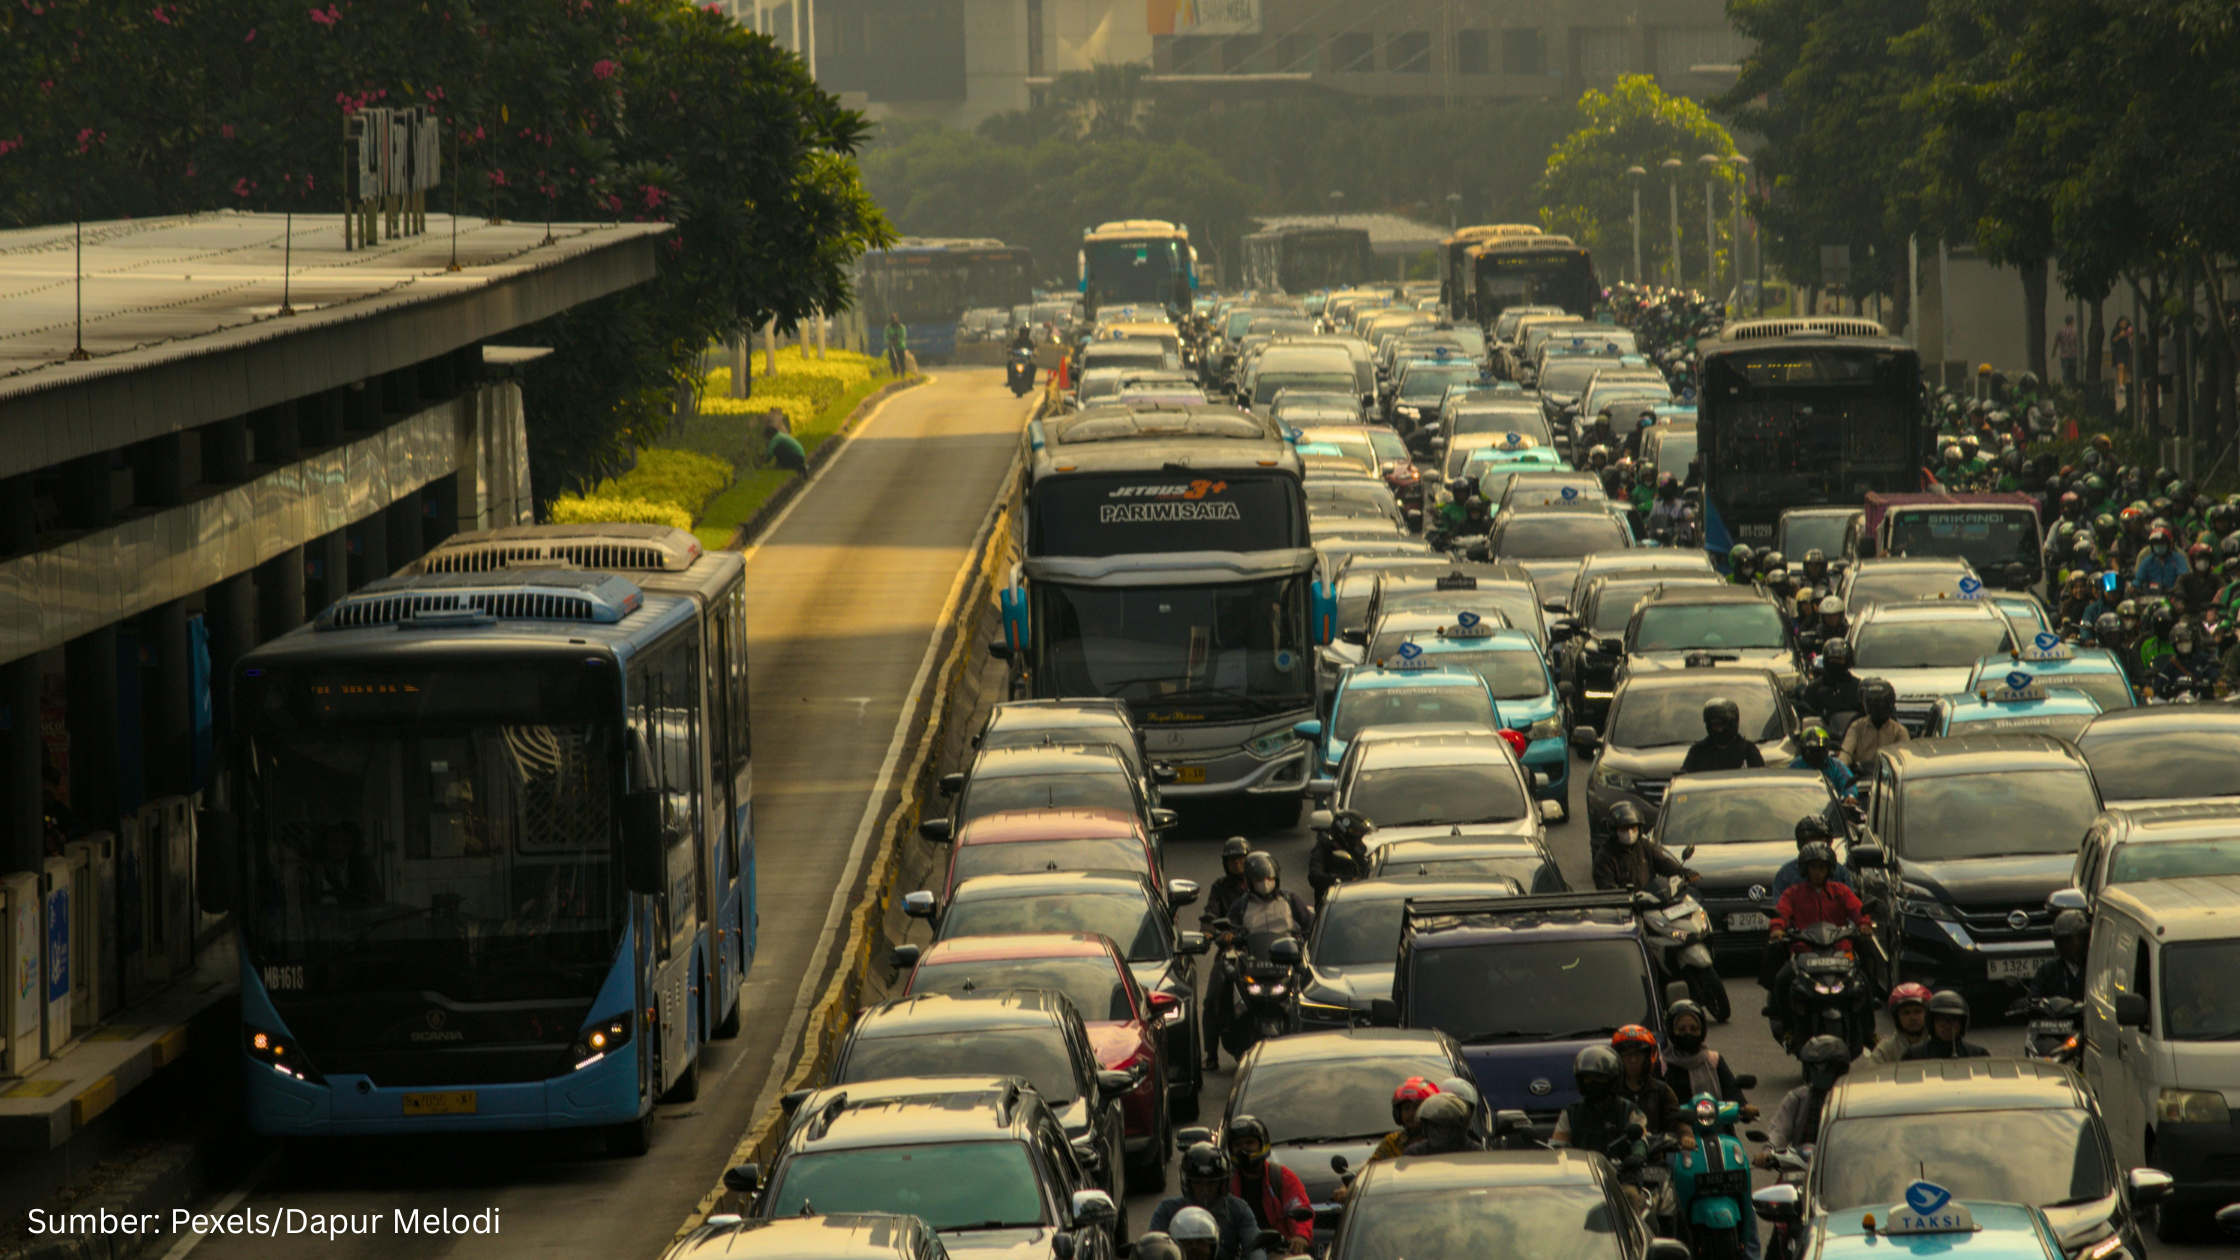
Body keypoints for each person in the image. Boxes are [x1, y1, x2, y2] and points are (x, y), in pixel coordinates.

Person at [1150, 1144, 1262, 1260]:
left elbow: (1254, 1246)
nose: (1205, 1190)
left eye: (1211, 1183)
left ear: (1223, 1183)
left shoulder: (1239, 1210)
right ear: (1187, 1183)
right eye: (1198, 1183)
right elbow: (1153, 1248)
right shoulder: (1167, 1210)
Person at [1224, 1117, 1312, 1255]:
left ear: (1262, 1143)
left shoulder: (1281, 1177)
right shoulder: (1224, 1183)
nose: (1243, 1149)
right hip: (1237, 1252)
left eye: (1249, 1143)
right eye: (1238, 1145)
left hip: (1276, 1250)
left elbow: (1299, 1207)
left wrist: (1300, 1235)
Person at [1201, 837, 1253, 1070]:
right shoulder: (1219, 887)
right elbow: (1210, 915)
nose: (1238, 862)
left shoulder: (1261, 885)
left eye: (1242, 857)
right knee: (1212, 998)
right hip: (1230, 952)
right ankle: (1211, 1054)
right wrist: (1209, 933)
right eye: (1233, 859)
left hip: (1258, 951)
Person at [1661, 1000, 1757, 1126]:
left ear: (1702, 1031)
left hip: (1717, 1128)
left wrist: (1746, 1109)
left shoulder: (1714, 1060)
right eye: (1681, 1029)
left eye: (1694, 1029)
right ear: (1671, 1031)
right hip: (1677, 1134)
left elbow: (1732, 1091)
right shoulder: (1663, 1065)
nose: (1688, 1033)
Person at [1757, 1036, 1847, 1164]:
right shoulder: (1797, 1098)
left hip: (1838, 1167)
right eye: (1813, 1067)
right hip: (1800, 1165)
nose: (1817, 1073)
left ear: (1839, 1069)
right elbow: (1779, 1130)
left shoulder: (1851, 1101)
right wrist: (1768, 1152)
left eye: (1824, 1067)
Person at [1551, 1046, 1646, 1159]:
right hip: (1581, 1173)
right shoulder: (1571, 1113)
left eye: (1599, 1077)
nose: (1593, 1083)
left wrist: (1637, 1156)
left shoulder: (1629, 1110)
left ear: (1613, 1079)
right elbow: (1557, 1147)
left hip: (1620, 1172)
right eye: (1588, 1078)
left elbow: (1641, 1141)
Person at [1592, 800, 1695, 893]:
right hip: (1623, 908)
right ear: (1614, 831)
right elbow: (1606, 888)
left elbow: (1663, 863)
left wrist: (1683, 872)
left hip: (1649, 902)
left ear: (1640, 829)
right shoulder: (1604, 857)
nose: (1629, 832)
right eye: (1624, 828)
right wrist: (1626, 897)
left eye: (1633, 827)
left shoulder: (1645, 846)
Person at [1612, 1025, 1689, 1146]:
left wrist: (1686, 1135)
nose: (1633, 1060)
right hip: (1618, 1157)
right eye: (1627, 1055)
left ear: (1648, 1057)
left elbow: (1675, 1119)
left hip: (1657, 1156)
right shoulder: (1611, 1091)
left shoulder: (1662, 1090)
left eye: (1638, 1055)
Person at [1220, 853, 1313, 945]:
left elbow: (1311, 924)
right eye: (1259, 879)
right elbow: (1230, 925)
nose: (1265, 882)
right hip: (1253, 955)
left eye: (1269, 878)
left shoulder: (1290, 899)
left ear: (1275, 879)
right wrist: (1227, 933)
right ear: (1250, 880)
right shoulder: (1242, 905)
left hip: (1289, 954)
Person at [1770, 816, 1855, 900]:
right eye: (1811, 839)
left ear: (1828, 842)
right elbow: (1780, 910)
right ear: (1802, 842)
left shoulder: (1840, 873)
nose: (1815, 844)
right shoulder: (1786, 875)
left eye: (1820, 839)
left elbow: (1852, 908)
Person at [1839, 679, 1908, 772]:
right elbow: (1845, 754)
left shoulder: (1899, 731)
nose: (1878, 709)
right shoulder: (1856, 727)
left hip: (1889, 780)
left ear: (1890, 704)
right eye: (1874, 705)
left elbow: (1905, 762)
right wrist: (1842, 769)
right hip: (1859, 779)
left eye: (1882, 704)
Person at [1681, 697, 1765, 773]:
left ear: (1732, 724)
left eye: (1722, 724)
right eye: (1715, 725)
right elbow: (1686, 780)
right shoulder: (1698, 752)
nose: (1719, 730)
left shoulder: (1748, 750)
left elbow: (1761, 779)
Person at [1308, 809, 1373, 905]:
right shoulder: (1322, 851)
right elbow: (1314, 876)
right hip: (1332, 906)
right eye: (1358, 839)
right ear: (1343, 836)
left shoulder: (1360, 853)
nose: (1360, 842)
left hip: (1359, 903)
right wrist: (1344, 880)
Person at [1903, 989, 1991, 1059]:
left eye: (1954, 1020)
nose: (1949, 1026)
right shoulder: (1914, 1055)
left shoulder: (1977, 1054)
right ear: (1931, 1022)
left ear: (1963, 1024)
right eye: (1942, 1020)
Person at [2026, 910, 2090, 1004]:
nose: (2067, 945)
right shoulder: (2048, 970)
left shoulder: (2097, 968)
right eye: (2062, 941)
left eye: (2072, 940)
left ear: (2085, 939)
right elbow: (2034, 997)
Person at [1864, 983, 1935, 1065]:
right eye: (1906, 1013)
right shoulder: (1885, 1050)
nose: (1912, 1017)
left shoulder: (1937, 1046)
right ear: (1897, 1017)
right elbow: (1875, 1075)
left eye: (1917, 1011)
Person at [1403, 1092, 1480, 1156]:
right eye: (1431, 1125)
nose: (1434, 1131)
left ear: (1458, 1129)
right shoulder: (1415, 1153)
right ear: (1424, 1128)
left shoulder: (1474, 1151)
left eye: (1442, 1126)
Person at [1788, 726, 1855, 797]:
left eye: (1818, 750)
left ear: (1826, 749)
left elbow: (1847, 782)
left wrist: (1850, 796)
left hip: (1829, 806)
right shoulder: (1795, 765)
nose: (1814, 755)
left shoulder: (1836, 765)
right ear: (1802, 750)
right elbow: (1786, 788)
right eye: (1809, 751)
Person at [2135, 527, 2186, 594]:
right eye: (2156, 544)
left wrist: (2178, 586)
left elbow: (2183, 575)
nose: (2159, 546)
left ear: (2169, 544)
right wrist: (2134, 587)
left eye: (2162, 543)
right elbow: (2139, 579)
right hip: (2150, 596)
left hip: (2172, 595)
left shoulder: (2177, 558)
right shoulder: (2148, 561)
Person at [883, 312, 909, 377]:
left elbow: (903, 336)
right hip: (891, 347)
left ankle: (902, 374)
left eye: (895, 318)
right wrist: (889, 342)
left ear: (897, 319)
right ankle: (895, 374)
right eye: (892, 319)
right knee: (893, 362)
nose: (894, 320)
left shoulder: (901, 327)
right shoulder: (888, 328)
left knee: (901, 361)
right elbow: (885, 336)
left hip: (900, 347)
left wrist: (897, 341)